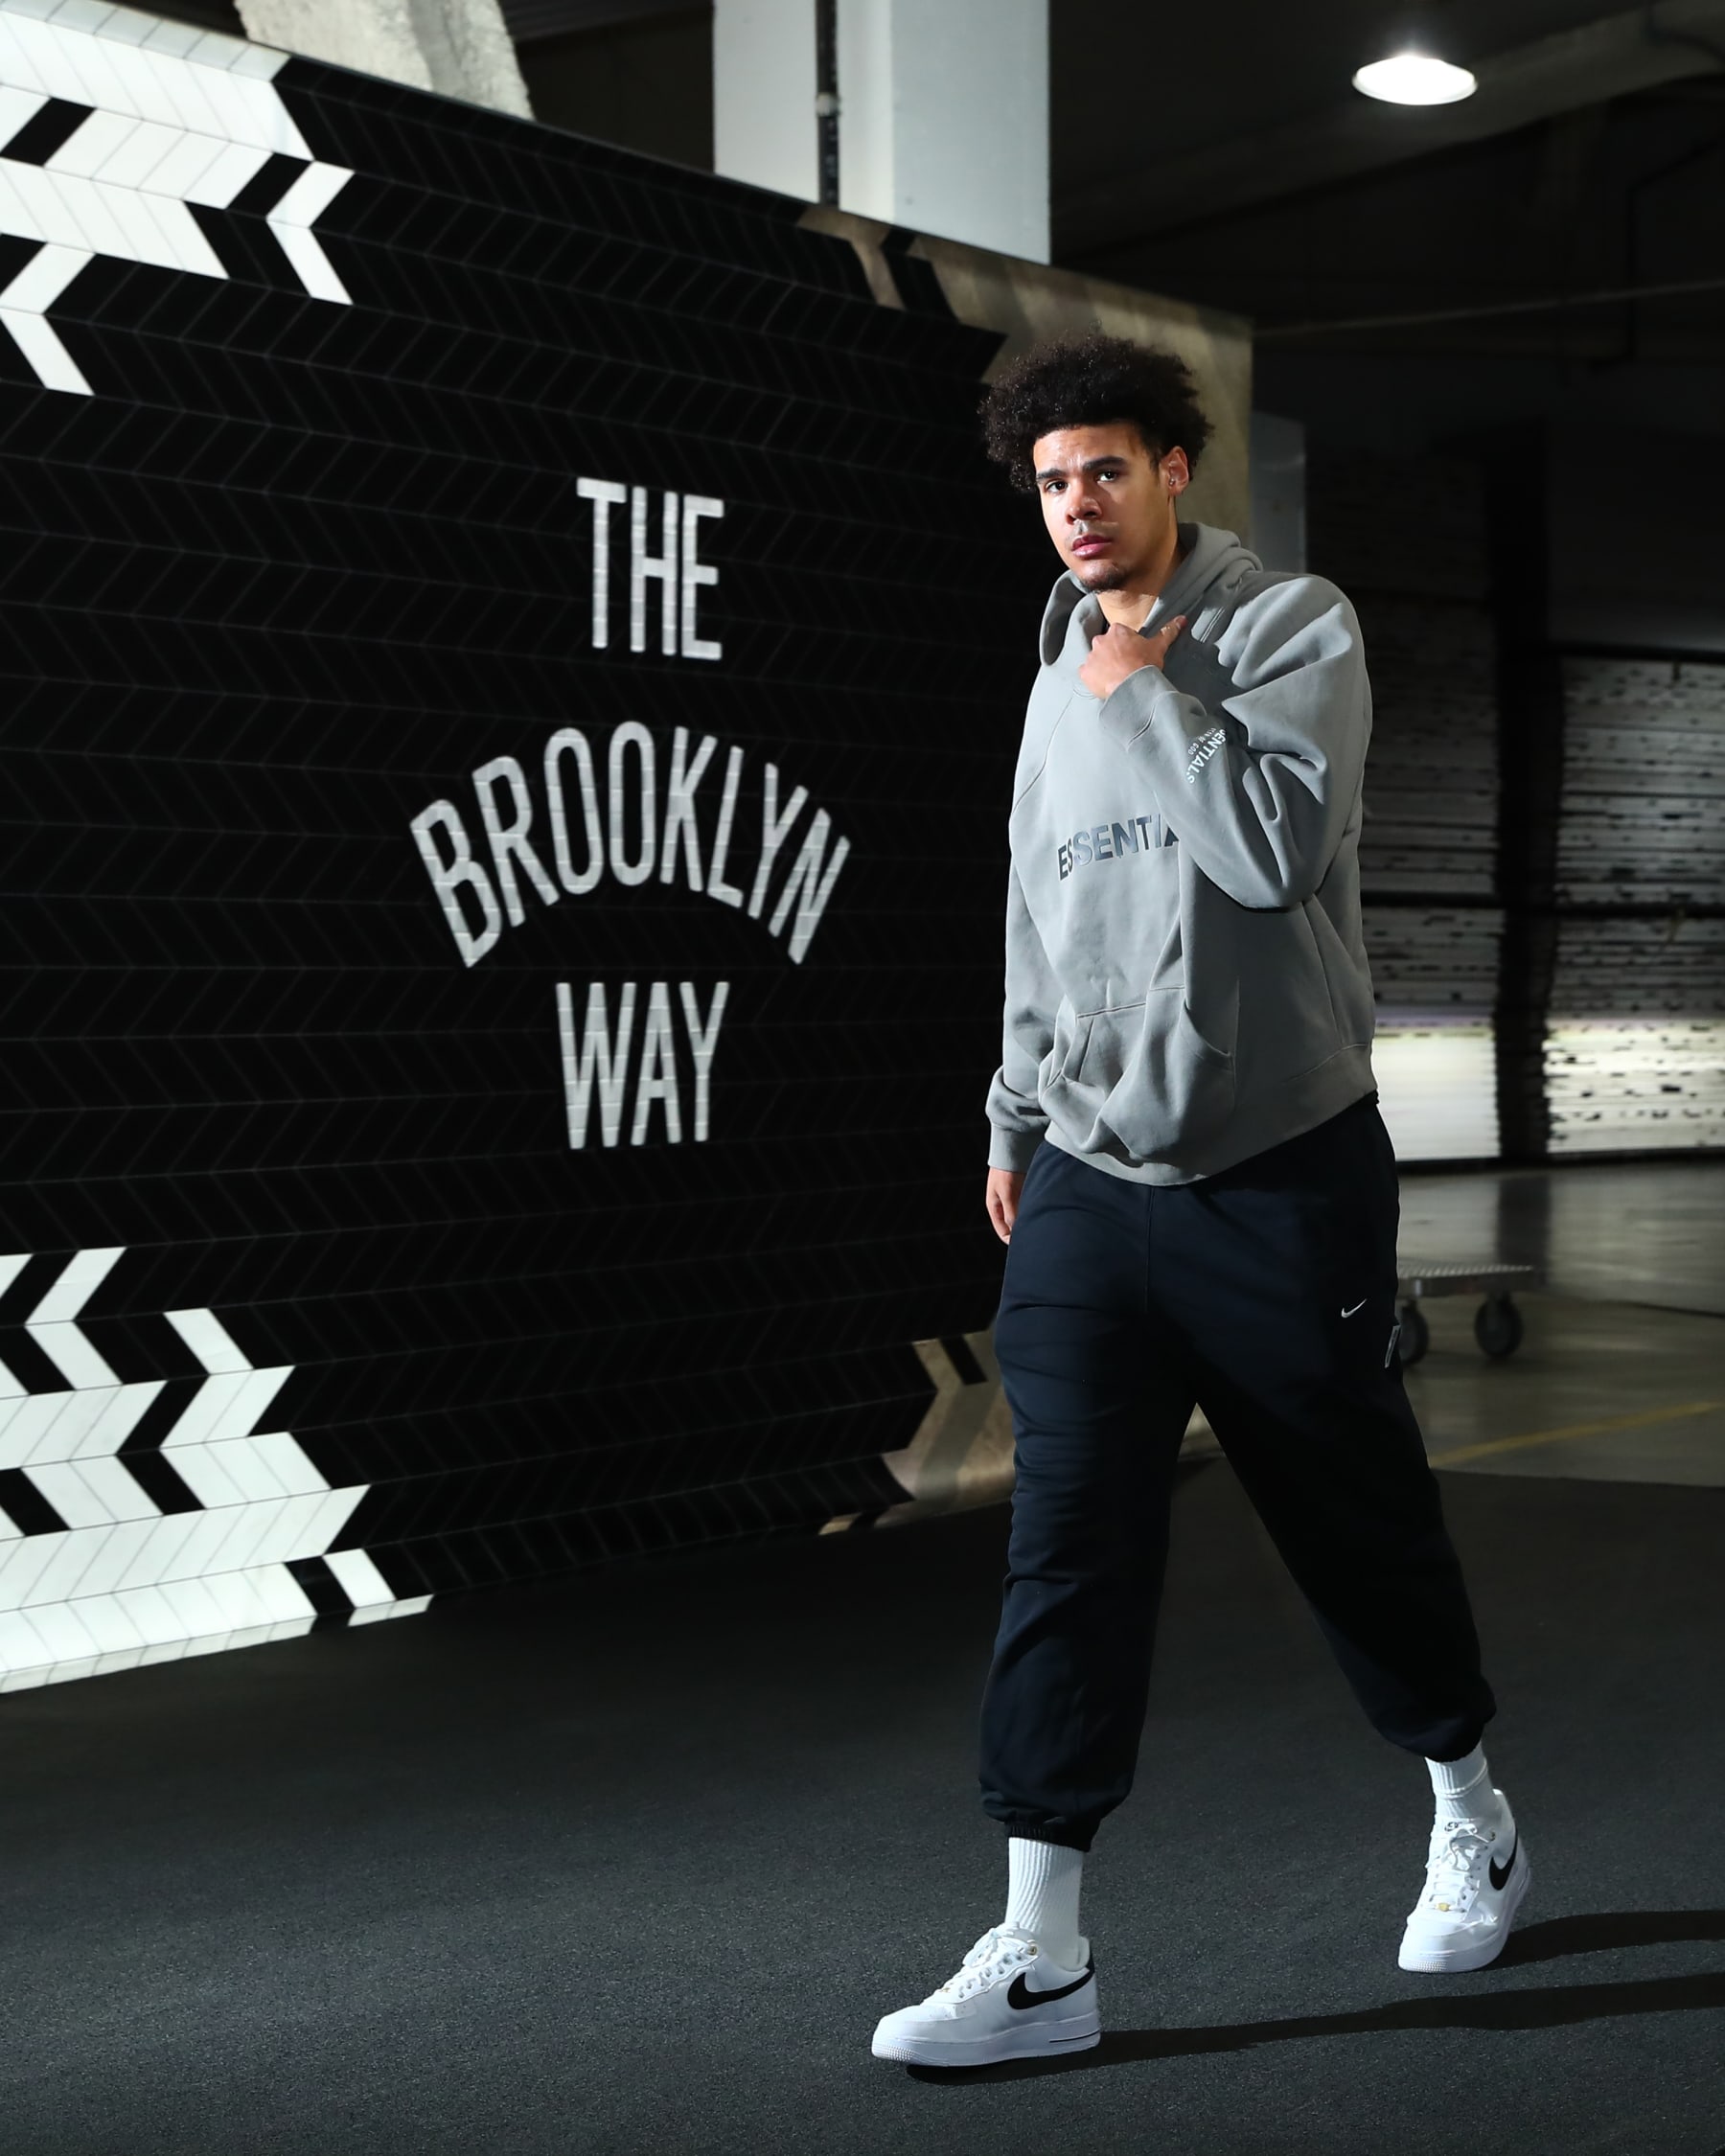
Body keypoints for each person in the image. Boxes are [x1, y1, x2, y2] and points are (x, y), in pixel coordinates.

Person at [871, 333, 1529, 2071]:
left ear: (1175, 471)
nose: (1076, 508)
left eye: (1104, 470)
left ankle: (1469, 1801)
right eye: (1050, 483)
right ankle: (1041, 1951)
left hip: (1280, 1171)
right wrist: (1015, 1109)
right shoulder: (1048, 680)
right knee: (1064, 1541)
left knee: (1350, 1516)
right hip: (1088, 1178)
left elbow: (1269, 852)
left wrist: (1150, 686)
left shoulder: (1295, 628)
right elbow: (1035, 915)